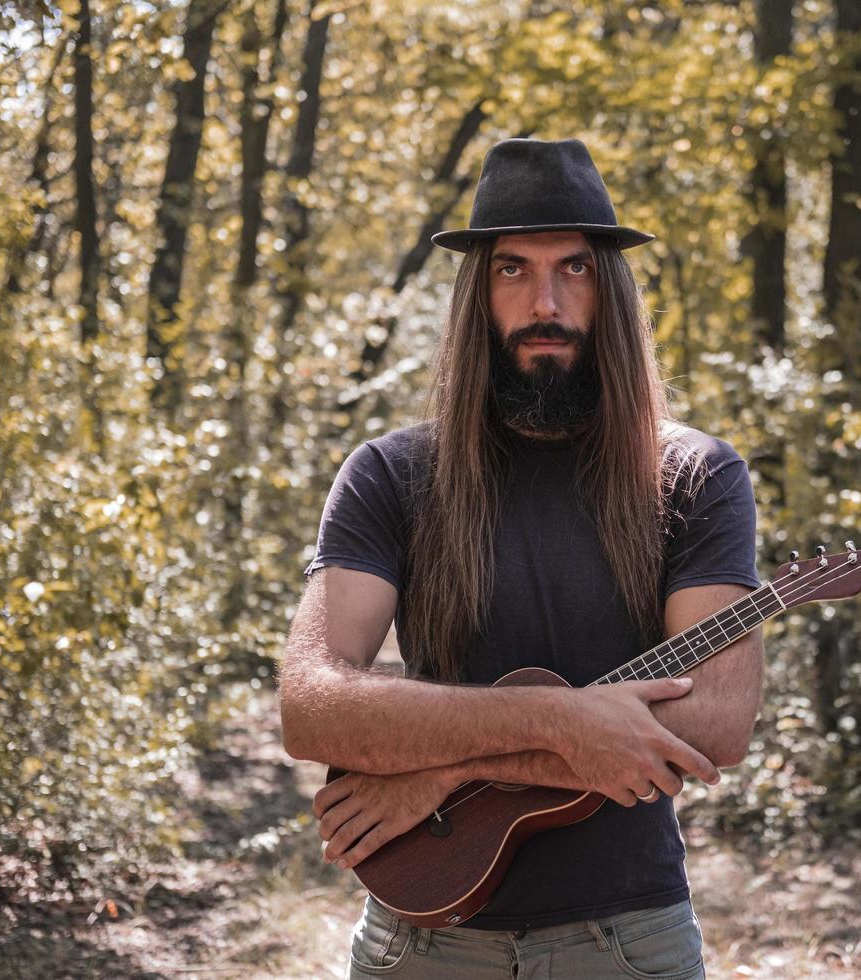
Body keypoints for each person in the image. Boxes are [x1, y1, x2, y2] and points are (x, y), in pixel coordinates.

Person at [279, 137, 764, 979]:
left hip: (629, 940)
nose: (546, 300)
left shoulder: (695, 475)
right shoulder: (391, 474)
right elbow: (312, 705)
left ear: (609, 288)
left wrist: (445, 772)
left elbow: (716, 721)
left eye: (573, 268)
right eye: (513, 270)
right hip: (419, 941)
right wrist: (561, 722)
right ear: (478, 293)